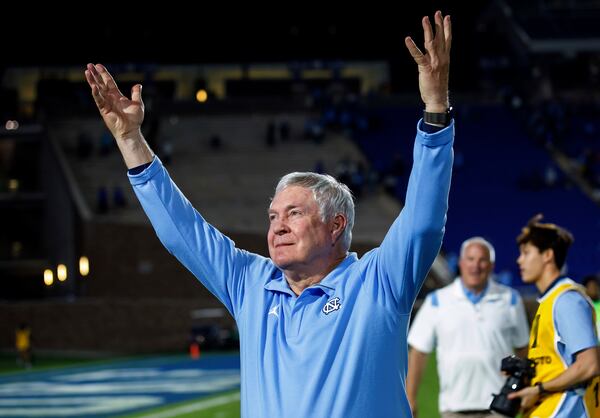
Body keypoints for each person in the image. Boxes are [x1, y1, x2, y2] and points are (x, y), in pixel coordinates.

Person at [85, 11, 453, 418]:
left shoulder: (378, 282)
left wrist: (435, 109)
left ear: (336, 226)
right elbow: (181, 233)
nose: (277, 226)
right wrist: (131, 140)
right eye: (272, 216)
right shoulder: (251, 284)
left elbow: (422, 222)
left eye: (293, 213)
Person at [406, 237, 530, 418]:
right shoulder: (437, 301)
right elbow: (418, 352)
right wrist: (410, 398)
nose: (476, 265)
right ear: (461, 263)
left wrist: (524, 389)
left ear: (491, 265)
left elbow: (523, 349)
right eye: (470, 259)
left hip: (499, 407)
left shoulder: (510, 299)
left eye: (482, 260)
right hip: (454, 408)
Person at [508, 214, 600, 417]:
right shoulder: (550, 301)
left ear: (547, 255)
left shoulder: (567, 301)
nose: (519, 260)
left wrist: (539, 389)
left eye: (526, 253)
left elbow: (589, 364)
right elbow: (555, 364)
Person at [583, 274, 600, 339]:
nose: (594, 289)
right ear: (585, 289)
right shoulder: (583, 306)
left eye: (595, 286)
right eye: (591, 287)